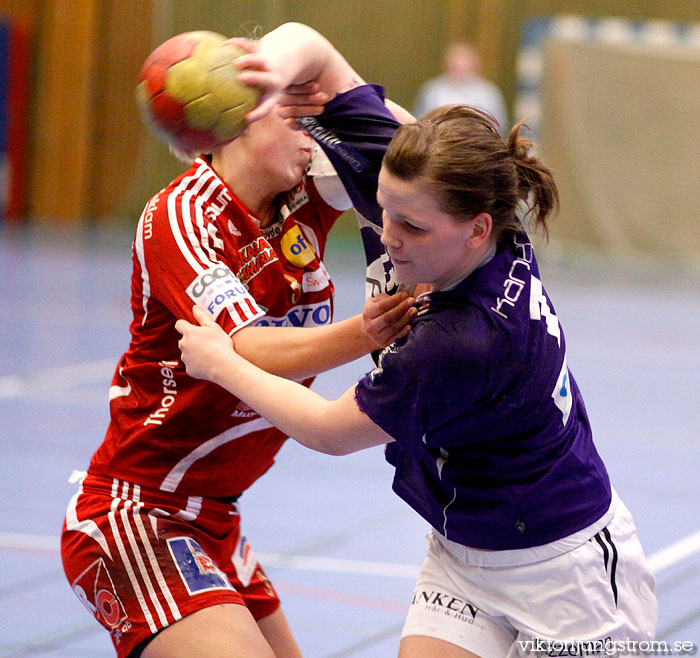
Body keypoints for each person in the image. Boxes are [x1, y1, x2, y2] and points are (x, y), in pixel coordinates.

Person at [176, 35, 659, 658]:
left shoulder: (463, 340)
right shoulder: (435, 190)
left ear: (476, 229)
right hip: (462, 552)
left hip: (567, 571)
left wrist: (221, 362)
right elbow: (319, 51)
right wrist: (270, 72)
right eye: (383, 213)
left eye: (412, 227)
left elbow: (327, 430)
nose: (391, 237)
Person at [60, 23, 416, 658]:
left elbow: (407, 150)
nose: (310, 140)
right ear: (242, 120)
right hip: (137, 514)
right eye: (294, 122)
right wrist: (365, 331)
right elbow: (245, 349)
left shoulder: (299, 196)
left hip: (216, 520)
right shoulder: (182, 215)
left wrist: (315, 81)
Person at [413, 41, 507, 135]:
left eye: (464, 65)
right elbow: (420, 122)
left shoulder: (488, 93)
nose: (460, 70)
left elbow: (498, 126)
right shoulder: (432, 90)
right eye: (456, 66)